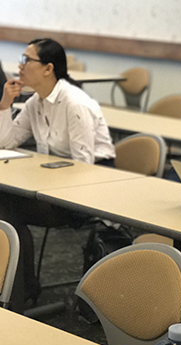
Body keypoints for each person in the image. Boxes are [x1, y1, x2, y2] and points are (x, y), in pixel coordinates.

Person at [0, 38, 115, 310]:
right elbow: (6, 142)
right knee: (5, 206)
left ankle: (20, 290)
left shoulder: (74, 103)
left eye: (27, 60)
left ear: (48, 68)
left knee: (8, 210)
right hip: (54, 183)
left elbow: (84, 166)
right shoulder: (36, 102)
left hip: (90, 189)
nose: (20, 65)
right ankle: (21, 287)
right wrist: (5, 103)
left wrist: (43, 177)